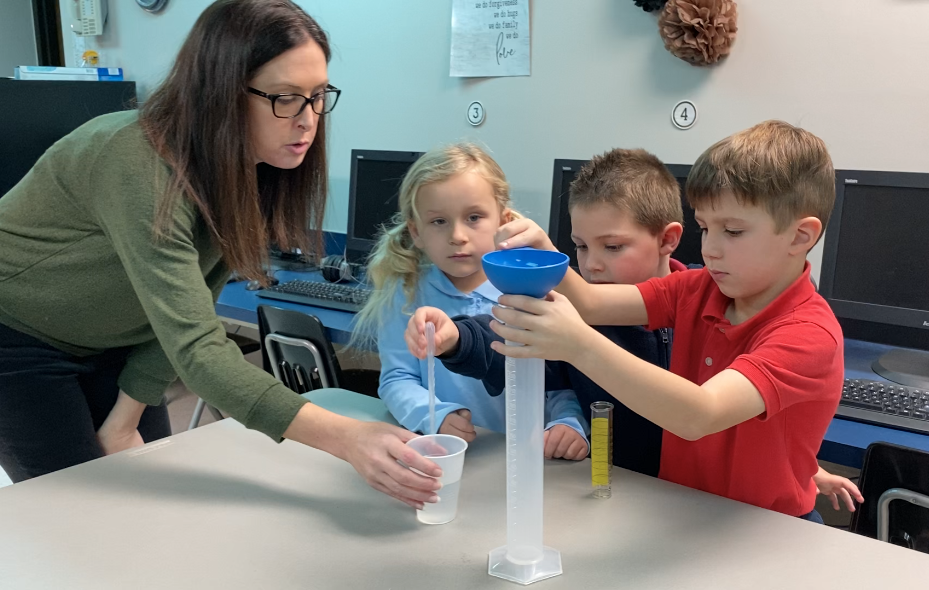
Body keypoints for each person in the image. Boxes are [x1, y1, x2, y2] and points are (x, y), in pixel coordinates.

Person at [0, 0, 441, 510]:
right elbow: (200, 351)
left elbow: (191, 308)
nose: (308, 120)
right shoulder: (135, 164)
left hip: (115, 335)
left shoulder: (250, 170)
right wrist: (347, 438)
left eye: (319, 96)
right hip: (19, 336)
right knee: (78, 511)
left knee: (148, 493)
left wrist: (123, 422)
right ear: (221, 94)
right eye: (285, 98)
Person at [475, 121, 851, 522]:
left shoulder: (808, 334)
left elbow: (699, 414)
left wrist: (579, 345)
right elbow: (588, 302)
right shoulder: (698, 289)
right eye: (706, 228)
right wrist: (545, 252)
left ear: (799, 236)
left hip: (758, 528)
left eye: (734, 231)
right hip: (676, 512)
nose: (710, 249)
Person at [353, 144, 589, 460]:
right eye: (439, 221)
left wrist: (568, 423)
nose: (458, 236)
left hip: (529, 463)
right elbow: (397, 379)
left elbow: (561, 379)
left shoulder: (532, 290)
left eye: (474, 217)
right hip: (452, 459)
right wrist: (435, 414)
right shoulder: (405, 291)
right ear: (416, 231)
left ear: (502, 222)